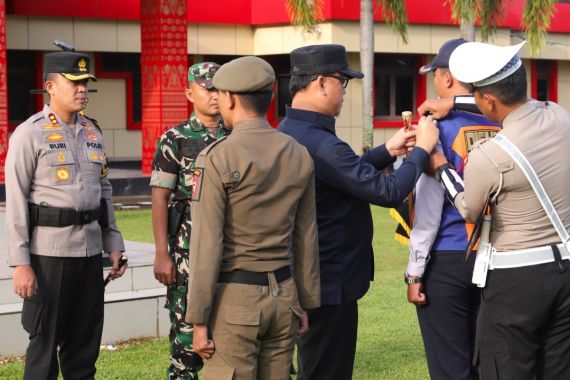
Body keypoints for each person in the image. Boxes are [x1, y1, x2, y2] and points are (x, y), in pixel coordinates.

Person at [277, 44, 440, 380]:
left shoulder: (292, 131)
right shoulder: (321, 143)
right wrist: (421, 150)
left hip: (312, 276)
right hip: (329, 281)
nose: (343, 91)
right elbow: (389, 190)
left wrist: (387, 151)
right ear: (321, 83)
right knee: (327, 371)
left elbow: (341, 179)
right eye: (343, 82)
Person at [428, 41, 570, 378]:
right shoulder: (559, 115)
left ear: (487, 99)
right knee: (558, 367)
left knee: (505, 366)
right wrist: (455, 101)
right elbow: (513, 104)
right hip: (564, 268)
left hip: (515, 279)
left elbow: (468, 208)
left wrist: (439, 165)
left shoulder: (489, 156)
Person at [185, 56, 320, 380]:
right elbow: (305, 235)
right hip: (284, 295)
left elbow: (207, 243)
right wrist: (305, 301)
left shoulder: (217, 157)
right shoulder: (298, 153)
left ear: (230, 98)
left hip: (236, 300)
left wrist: (199, 320)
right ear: (270, 98)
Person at [5, 48, 127, 379]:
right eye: (73, 83)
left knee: (83, 350)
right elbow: (15, 200)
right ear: (50, 86)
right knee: (44, 350)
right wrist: (20, 264)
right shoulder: (30, 133)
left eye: (85, 83)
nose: (82, 90)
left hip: (88, 255)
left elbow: (104, 192)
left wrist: (113, 241)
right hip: (49, 257)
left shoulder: (93, 132)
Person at [406, 38, 500, 380]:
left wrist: (415, 271)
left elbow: (427, 213)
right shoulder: (504, 123)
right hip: (499, 259)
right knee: (489, 364)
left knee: (451, 368)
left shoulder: (434, 129)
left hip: (449, 258)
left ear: (445, 78)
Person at [150, 62, 229, 380]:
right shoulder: (175, 139)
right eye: (207, 88)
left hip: (229, 248)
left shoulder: (235, 133)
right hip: (187, 251)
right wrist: (161, 253)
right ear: (189, 93)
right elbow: (159, 197)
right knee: (187, 343)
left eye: (219, 89)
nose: (214, 95)